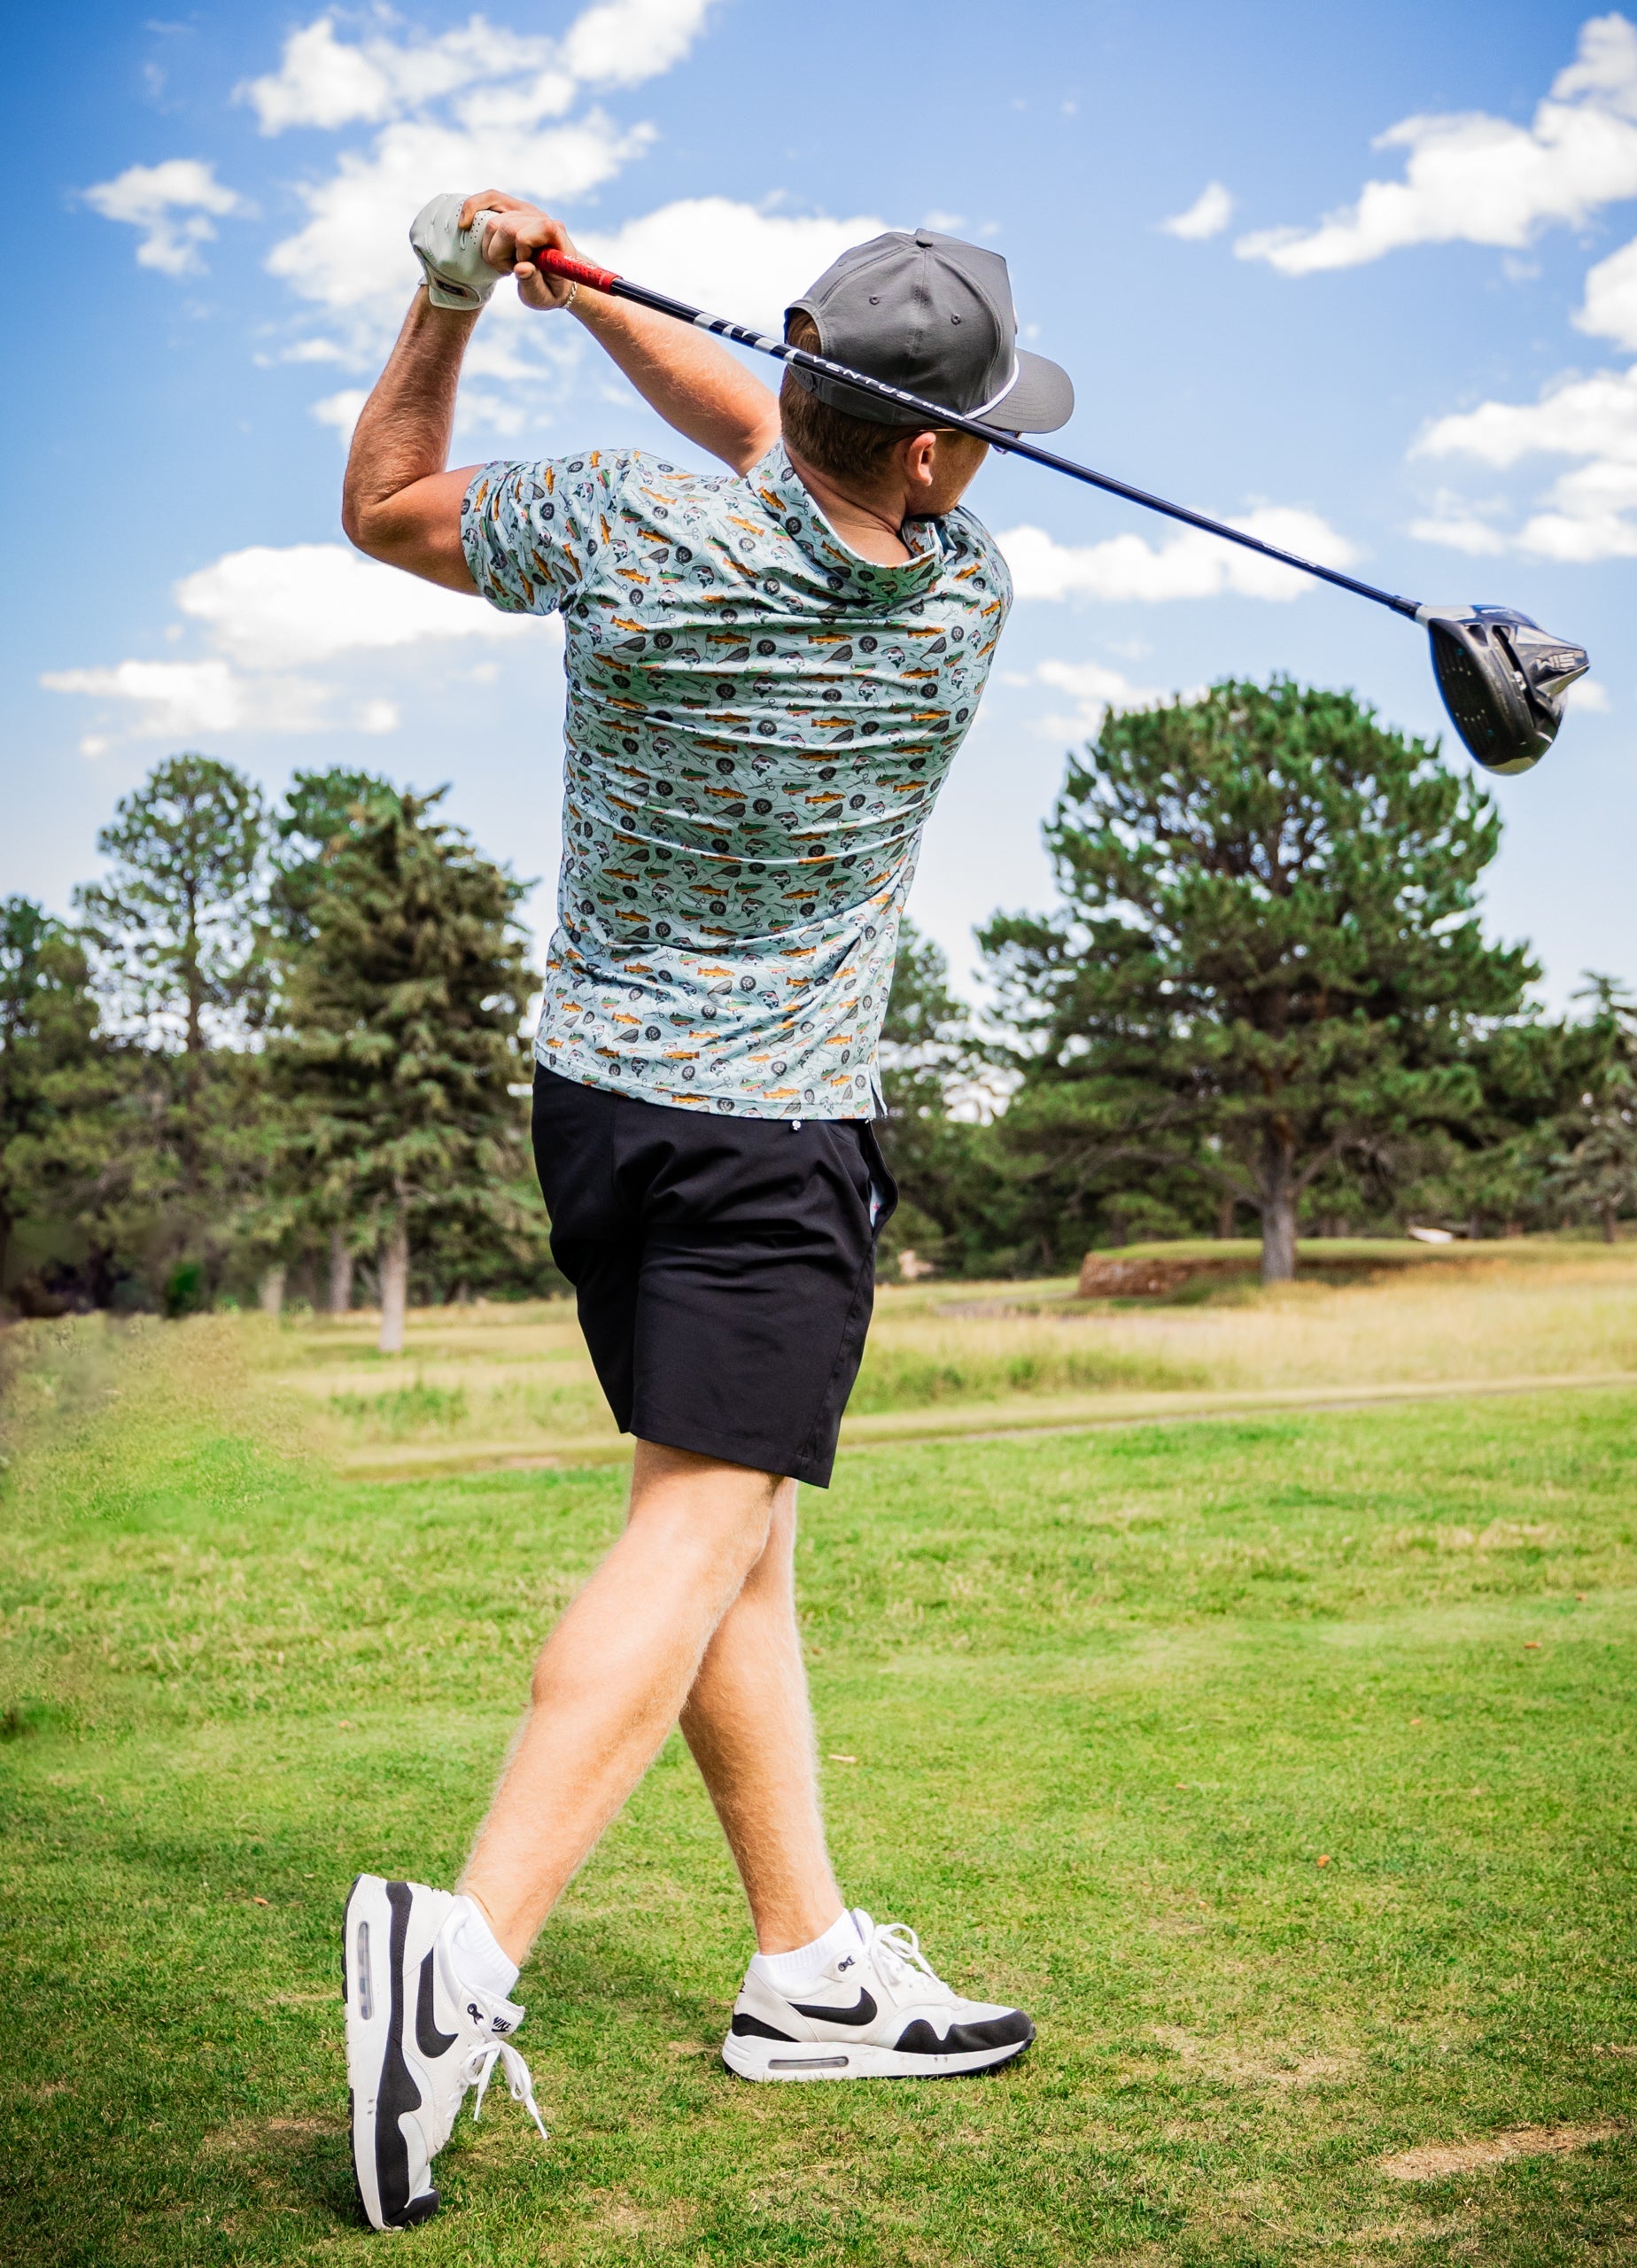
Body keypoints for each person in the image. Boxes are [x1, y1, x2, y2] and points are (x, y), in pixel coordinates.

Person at [336, 190, 1075, 2233]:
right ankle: (461, 1956)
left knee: (731, 1531)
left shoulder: (617, 529)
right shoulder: (959, 598)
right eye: (977, 419)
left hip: (595, 1111)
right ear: (926, 455)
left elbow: (389, 496)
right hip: (773, 1139)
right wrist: (592, 315)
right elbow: (792, 452)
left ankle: (804, 1962)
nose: (994, 444)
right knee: (692, 1533)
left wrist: (476, 299)